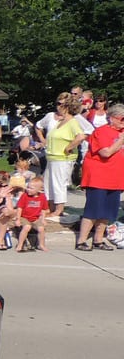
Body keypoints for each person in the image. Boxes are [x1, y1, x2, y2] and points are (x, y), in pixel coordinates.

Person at [75, 102, 124, 251]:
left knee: (107, 212)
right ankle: (82, 240)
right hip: (98, 176)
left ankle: (98, 239)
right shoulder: (102, 132)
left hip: (115, 178)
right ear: (112, 118)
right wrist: (121, 140)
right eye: (122, 119)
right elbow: (106, 152)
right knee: (93, 210)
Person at [43, 94, 87, 221]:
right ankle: (50, 207)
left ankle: (59, 209)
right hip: (52, 157)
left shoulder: (73, 122)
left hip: (62, 158)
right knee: (48, 183)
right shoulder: (61, 121)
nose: (58, 107)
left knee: (58, 183)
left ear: (67, 106)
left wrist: (69, 147)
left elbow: (81, 136)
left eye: (60, 104)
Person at [15, 178, 49, 252]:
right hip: (24, 217)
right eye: (28, 187)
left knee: (41, 229)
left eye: (31, 188)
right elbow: (19, 208)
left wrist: (43, 219)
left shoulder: (42, 197)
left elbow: (44, 209)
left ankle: (41, 244)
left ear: (39, 190)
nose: (28, 189)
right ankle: (20, 244)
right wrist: (17, 219)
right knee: (27, 227)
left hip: (35, 218)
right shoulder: (24, 196)